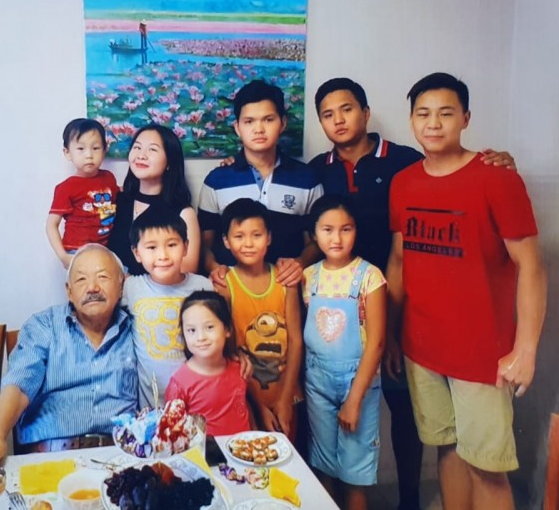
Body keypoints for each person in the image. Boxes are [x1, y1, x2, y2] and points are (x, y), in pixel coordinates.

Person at [309, 77, 518, 510]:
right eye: (328, 114)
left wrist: (499, 160)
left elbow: (452, 171)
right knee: (337, 411)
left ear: (366, 113)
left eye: (347, 109)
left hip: (397, 306)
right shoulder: (317, 169)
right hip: (338, 308)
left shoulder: (406, 161)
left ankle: (409, 499)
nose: (339, 120)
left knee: (406, 410)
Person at [387, 72, 546, 510]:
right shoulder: (404, 182)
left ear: (466, 119)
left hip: (482, 354)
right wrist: (394, 337)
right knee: (448, 449)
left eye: (445, 113)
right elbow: (399, 261)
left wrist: (525, 349)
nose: (433, 123)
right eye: (423, 114)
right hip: (422, 347)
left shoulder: (497, 179)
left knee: (487, 468)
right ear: (411, 120)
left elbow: (531, 267)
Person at [0, 244, 138, 464]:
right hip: (51, 456)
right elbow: (19, 386)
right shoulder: (44, 326)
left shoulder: (138, 330)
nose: (92, 288)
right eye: (81, 280)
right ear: (69, 291)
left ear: (121, 286)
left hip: (121, 457)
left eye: (103, 277)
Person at [302, 195, 386, 510]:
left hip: (358, 382)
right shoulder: (308, 276)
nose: (336, 238)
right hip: (317, 380)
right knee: (323, 465)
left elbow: (376, 343)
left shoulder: (370, 276)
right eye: (327, 229)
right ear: (314, 233)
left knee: (355, 473)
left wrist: (354, 400)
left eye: (345, 229)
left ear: (356, 231)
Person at [198, 79, 323, 287]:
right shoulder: (217, 181)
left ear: (282, 123)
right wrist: (213, 267)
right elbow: (203, 244)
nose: (259, 129)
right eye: (249, 121)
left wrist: (300, 263)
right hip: (233, 291)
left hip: (288, 290)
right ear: (237, 128)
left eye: (268, 120)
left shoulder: (307, 179)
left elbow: (317, 241)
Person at [214, 198, 302, 441]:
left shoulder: (285, 280)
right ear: (226, 241)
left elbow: (296, 341)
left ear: (269, 237)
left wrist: (285, 400)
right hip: (246, 398)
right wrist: (259, 407)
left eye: (257, 235)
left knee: (286, 457)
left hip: (287, 394)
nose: (249, 244)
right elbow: (229, 350)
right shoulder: (225, 286)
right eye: (239, 236)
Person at [122, 207, 213, 408]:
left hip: (198, 401)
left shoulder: (203, 286)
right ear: (137, 253)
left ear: (186, 247)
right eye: (151, 248)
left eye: (172, 245)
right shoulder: (131, 288)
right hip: (152, 408)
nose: (163, 255)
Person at [108, 123, 200, 276]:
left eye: (152, 149)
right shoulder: (118, 201)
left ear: (169, 162)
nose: (141, 155)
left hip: (157, 291)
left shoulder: (183, 213)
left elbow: (186, 271)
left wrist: (131, 282)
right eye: (137, 147)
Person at [165, 290, 250, 437]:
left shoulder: (241, 368)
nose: (201, 337)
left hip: (243, 447)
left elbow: (245, 408)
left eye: (209, 327)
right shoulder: (179, 382)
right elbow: (171, 431)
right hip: (204, 450)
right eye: (191, 330)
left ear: (227, 329)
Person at [46, 118, 119, 269]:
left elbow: (119, 196)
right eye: (81, 149)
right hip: (77, 251)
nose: (89, 155)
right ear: (67, 153)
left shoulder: (109, 178)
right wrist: (63, 256)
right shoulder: (66, 187)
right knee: (85, 284)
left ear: (104, 150)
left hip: (106, 250)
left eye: (96, 148)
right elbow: (51, 225)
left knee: (119, 280)